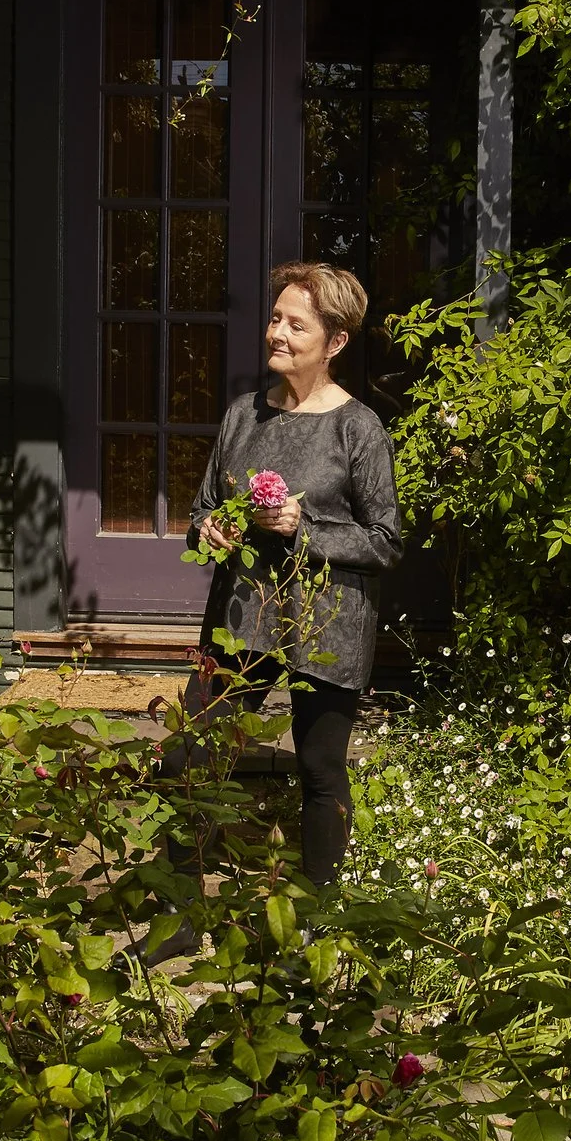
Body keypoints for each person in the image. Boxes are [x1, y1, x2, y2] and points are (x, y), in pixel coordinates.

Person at [182, 261, 402, 884]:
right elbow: (203, 506)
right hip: (241, 614)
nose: (277, 332)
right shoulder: (243, 416)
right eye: (276, 318)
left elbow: (385, 543)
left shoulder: (358, 428)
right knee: (190, 754)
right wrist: (208, 528)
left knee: (320, 768)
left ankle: (317, 915)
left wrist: (302, 529)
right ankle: (179, 910)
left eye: (295, 324)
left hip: (326, 622)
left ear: (334, 343)